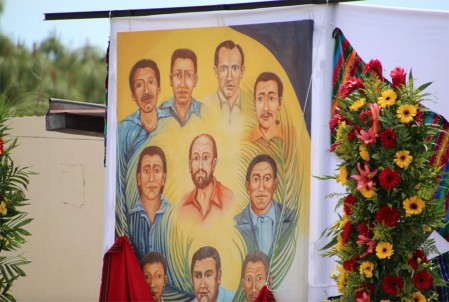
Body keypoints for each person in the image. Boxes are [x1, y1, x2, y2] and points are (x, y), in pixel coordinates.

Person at [116, 58, 163, 237]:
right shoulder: (125, 130)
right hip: (133, 229)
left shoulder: (170, 123)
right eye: (139, 85)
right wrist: (125, 238)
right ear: (133, 95)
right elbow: (119, 189)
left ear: (159, 88)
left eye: (151, 82)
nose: (146, 91)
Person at [234, 154, 293, 256]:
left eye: (267, 179)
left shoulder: (291, 218)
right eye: (256, 179)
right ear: (248, 186)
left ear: (275, 185)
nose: (261, 188)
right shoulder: (235, 224)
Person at [127, 145, 172, 260]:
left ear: (163, 178)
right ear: (138, 178)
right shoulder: (129, 220)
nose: (151, 178)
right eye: (146, 171)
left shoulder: (173, 217)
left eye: (156, 170)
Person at [178, 134, 235, 224]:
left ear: (213, 164)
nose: (200, 166)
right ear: (190, 165)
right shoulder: (181, 206)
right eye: (196, 158)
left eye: (205, 158)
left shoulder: (230, 201)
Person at [202, 40, 253, 126]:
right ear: (215, 72)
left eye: (235, 68)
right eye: (223, 69)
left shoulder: (254, 106)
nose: (229, 77)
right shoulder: (203, 107)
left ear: (242, 71)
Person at [159, 48, 202, 127]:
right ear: (171, 79)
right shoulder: (159, 114)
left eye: (188, 75)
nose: (182, 84)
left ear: (195, 80)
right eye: (177, 75)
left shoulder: (204, 113)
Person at [249, 72, 284, 144]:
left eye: (271, 98)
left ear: (280, 103)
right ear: (254, 103)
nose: (265, 108)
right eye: (260, 99)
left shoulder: (291, 136)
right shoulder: (245, 139)